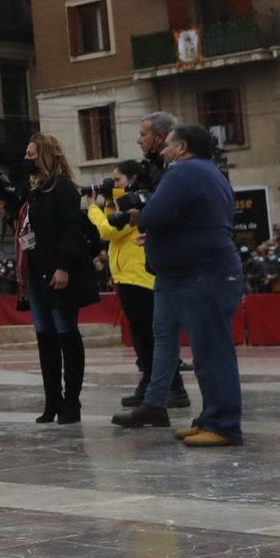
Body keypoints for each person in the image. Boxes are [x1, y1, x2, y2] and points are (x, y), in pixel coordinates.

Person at [115, 123, 245, 446]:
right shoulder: (208, 172)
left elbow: (153, 213)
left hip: (203, 274)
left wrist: (139, 216)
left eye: (168, 145)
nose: (162, 150)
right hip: (199, 272)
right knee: (204, 350)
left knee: (213, 351)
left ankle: (224, 424)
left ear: (183, 147)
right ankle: (208, 418)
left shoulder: (183, 172)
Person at [9, 134, 99, 424]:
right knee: (45, 336)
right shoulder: (33, 190)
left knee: (66, 333)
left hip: (58, 269)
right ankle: (52, 401)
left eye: (31, 153)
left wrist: (63, 266)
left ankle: (71, 402)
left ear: (44, 155)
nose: (27, 158)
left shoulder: (61, 187)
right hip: (35, 270)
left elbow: (70, 229)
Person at [91, 162, 187, 411]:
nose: (113, 185)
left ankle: (174, 388)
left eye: (118, 180)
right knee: (141, 338)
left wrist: (93, 209)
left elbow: (108, 230)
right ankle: (148, 385)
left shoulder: (133, 203)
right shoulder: (118, 203)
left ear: (132, 180)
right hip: (126, 277)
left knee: (150, 337)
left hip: (139, 277)